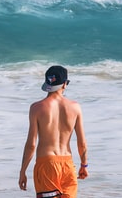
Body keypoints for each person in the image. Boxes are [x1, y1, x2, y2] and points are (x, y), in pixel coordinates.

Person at [18, 65, 88, 198]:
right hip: (68, 165)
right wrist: (84, 165)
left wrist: (23, 171)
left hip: (46, 164)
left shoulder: (36, 108)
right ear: (65, 84)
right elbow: (82, 143)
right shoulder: (75, 107)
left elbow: (31, 145)